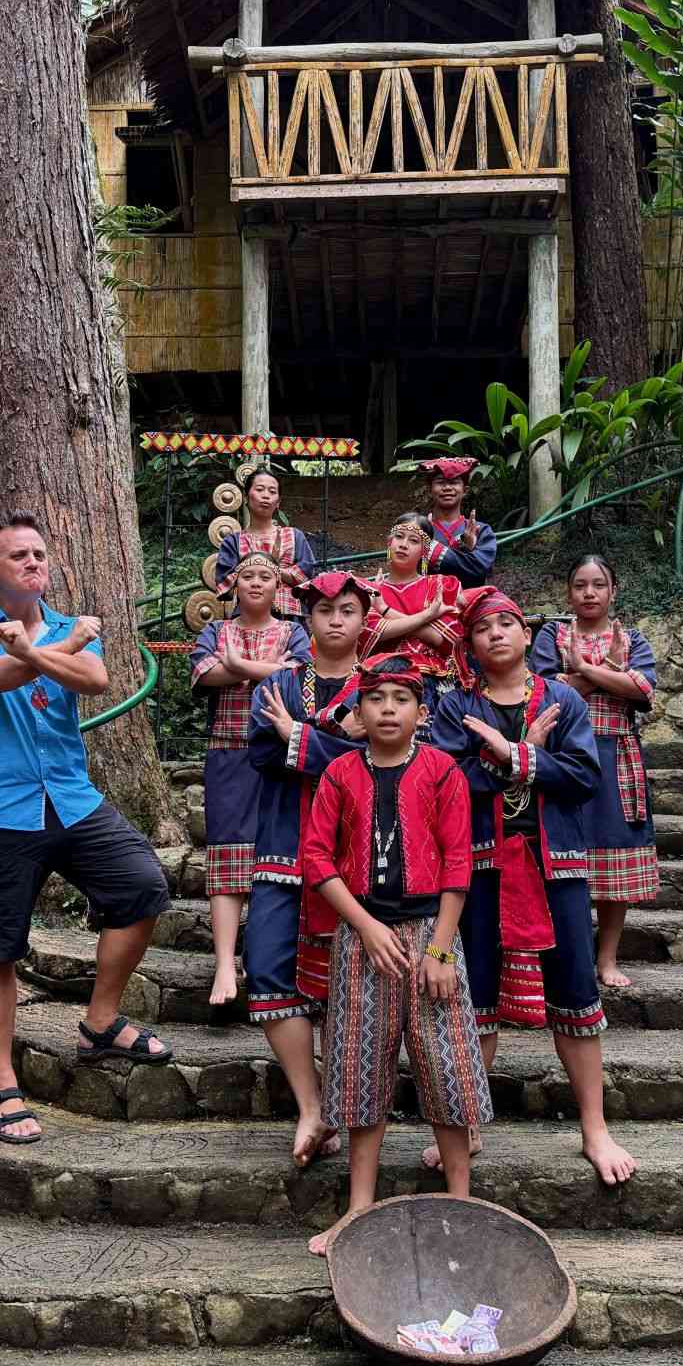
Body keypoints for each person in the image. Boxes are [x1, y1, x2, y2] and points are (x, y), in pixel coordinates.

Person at [0, 510, 174, 1144]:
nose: (32, 562)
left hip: (71, 800)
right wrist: (53, 650)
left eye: (39, 554)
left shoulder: (70, 626)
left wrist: (38, 650)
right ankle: (2, 1087)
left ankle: (100, 1022)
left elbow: (94, 680)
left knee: (142, 886)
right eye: (18, 555)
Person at [432, 587, 637, 1188]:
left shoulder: (563, 699)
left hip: (555, 864)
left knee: (575, 989)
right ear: (469, 645)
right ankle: (468, 1123)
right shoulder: (455, 707)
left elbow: (584, 776)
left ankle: (594, 1127)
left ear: (527, 636)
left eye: (506, 623)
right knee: (474, 997)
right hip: (480, 867)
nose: (495, 633)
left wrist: (516, 757)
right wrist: (508, 758)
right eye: (481, 628)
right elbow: (446, 782)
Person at [298, 653, 489, 1257]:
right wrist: (363, 925)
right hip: (362, 937)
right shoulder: (339, 774)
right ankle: (359, 1208)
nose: (387, 709)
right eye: (376, 698)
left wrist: (440, 949)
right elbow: (316, 857)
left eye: (401, 699)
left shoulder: (442, 771)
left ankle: (460, 1201)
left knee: (445, 1061)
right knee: (360, 1064)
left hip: (433, 932)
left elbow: (458, 860)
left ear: (421, 712)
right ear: (358, 711)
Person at [248, 571, 376, 1166]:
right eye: (324, 610)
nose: (335, 620)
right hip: (284, 845)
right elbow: (262, 753)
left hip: (357, 854)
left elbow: (381, 756)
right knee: (268, 969)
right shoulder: (277, 682)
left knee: (345, 982)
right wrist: (327, 732)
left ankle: (344, 1106)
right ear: (306, 618)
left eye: (347, 610)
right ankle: (311, 1105)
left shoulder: (381, 684)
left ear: (364, 619)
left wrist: (298, 735)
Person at [529, 555, 660, 989]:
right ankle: (571, 957)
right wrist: (611, 672)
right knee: (564, 857)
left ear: (613, 591)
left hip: (615, 756)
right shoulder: (551, 636)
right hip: (564, 756)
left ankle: (607, 958)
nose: (589, 593)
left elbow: (643, 689)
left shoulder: (632, 638)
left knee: (615, 855)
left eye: (598, 585)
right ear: (569, 593)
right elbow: (547, 691)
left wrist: (582, 670)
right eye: (580, 585)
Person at [191, 552, 314, 1007]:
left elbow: (300, 677)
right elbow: (205, 673)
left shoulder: (293, 631)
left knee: (277, 851)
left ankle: (268, 953)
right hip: (229, 750)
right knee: (226, 851)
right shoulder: (216, 630)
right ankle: (225, 961)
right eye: (248, 576)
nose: (257, 583)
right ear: (234, 585)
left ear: (278, 586)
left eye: (266, 576)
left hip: (280, 754)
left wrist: (238, 666)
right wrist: (267, 669)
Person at [366, 512, 466, 731]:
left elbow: (441, 639)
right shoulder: (370, 590)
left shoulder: (440, 585)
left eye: (413, 540)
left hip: (431, 679)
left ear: (425, 551)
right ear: (389, 542)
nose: (403, 545)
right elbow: (374, 633)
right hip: (381, 679)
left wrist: (385, 611)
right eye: (399, 537)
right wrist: (427, 617)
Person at [216, 467, 317, 619]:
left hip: (289, 617)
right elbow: (224, 585)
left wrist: (252, 571)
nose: (266, 495)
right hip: (245, 617)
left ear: (278, 502)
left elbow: (306, 575)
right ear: (246, 497)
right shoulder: (233, 542)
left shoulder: (295, 536)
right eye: (259, 489)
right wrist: (280, 573)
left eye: (272, 491)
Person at [416, 457, 497, 584]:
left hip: (471, 595)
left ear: (465, 491)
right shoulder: (417, 529)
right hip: (427, 595)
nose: (447, 487)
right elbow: (407, 569)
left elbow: (481, 568)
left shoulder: (482, 530)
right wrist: (467, 554)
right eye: (440, 482)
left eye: (454, 482)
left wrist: (431, 549)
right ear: (429, 490)